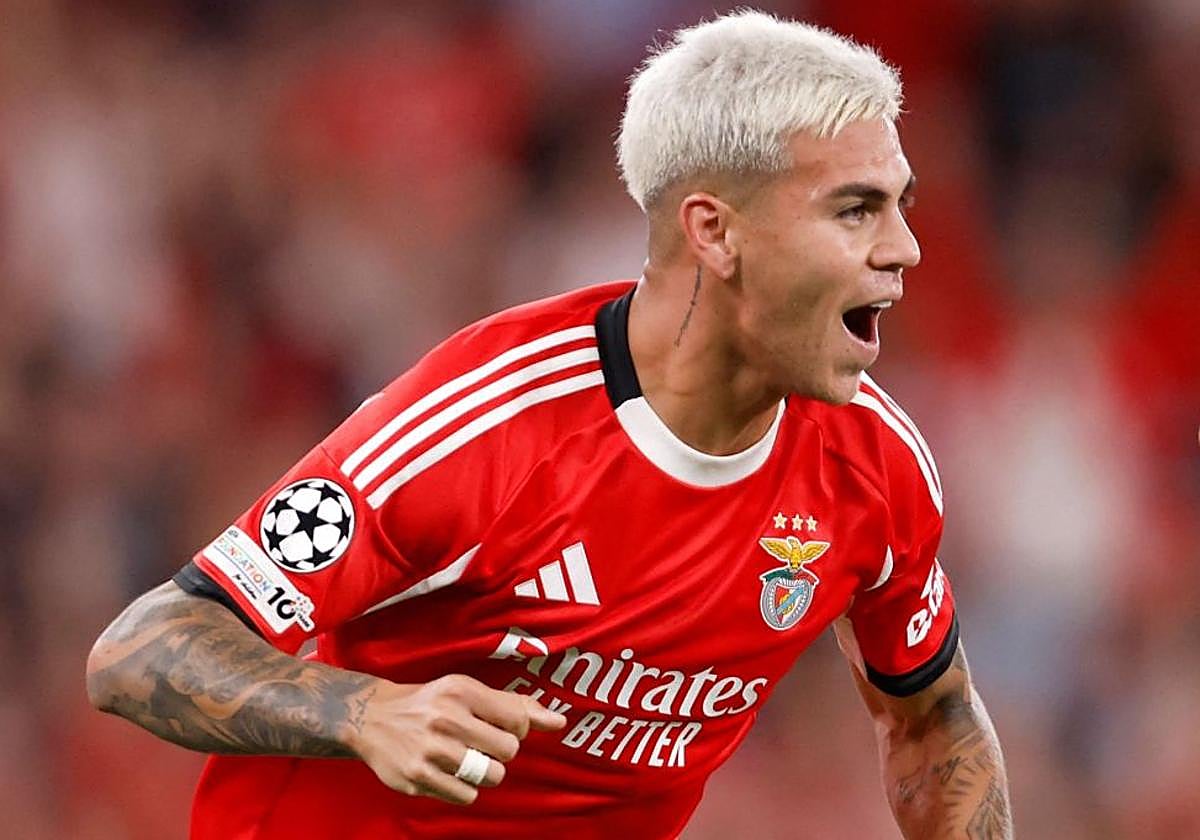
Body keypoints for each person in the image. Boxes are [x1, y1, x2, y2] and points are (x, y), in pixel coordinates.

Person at [86, 10, 1012, 839]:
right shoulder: (487, 430)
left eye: (900, 206)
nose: (905, 248)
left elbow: (932, 718)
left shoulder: (876, 464)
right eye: (857, 210)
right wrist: (365, 713)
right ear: (715, 231)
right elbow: (142, 649)